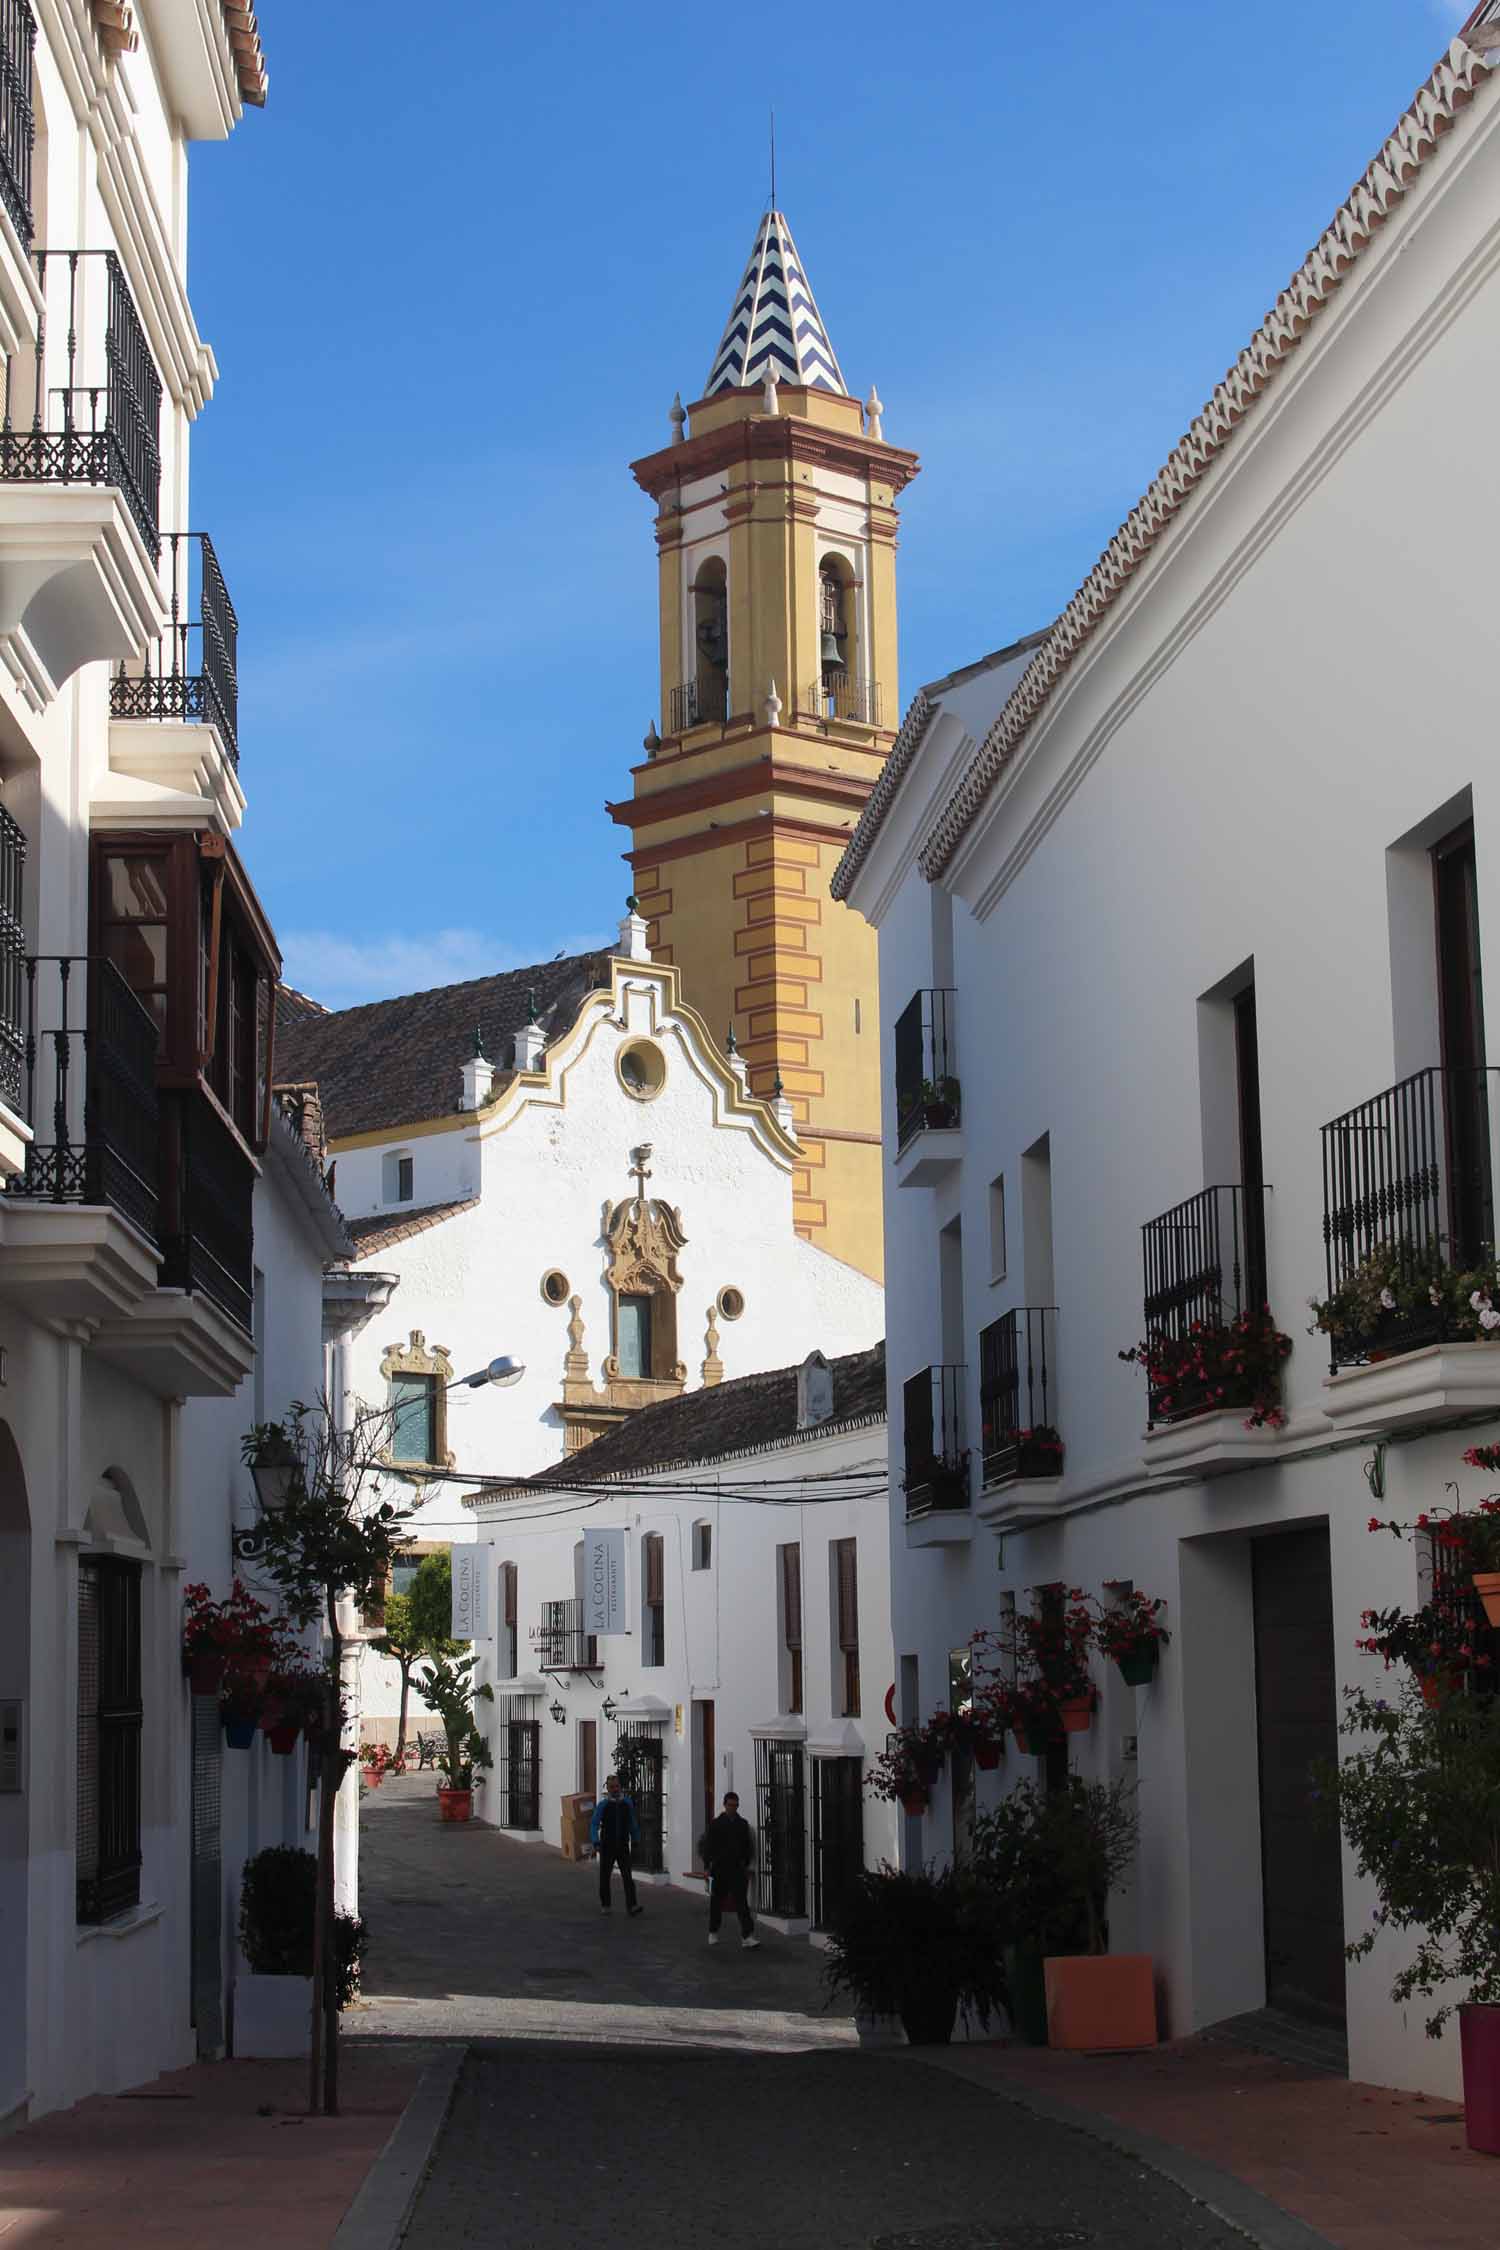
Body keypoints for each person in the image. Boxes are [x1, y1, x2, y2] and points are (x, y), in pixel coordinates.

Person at [699, 1789, 758, 1948]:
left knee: (742, 1903)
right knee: (716, 1902)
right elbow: (708, 1847)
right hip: (719, 1869)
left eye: (736, 1805)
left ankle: (747, 1936)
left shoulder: (742, 1824)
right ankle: (713, 1932)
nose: (733, 1808)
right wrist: (707, 1867)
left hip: (738, 1869)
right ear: (724, 1805)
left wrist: (745, 1864)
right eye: (730, 1805)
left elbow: (747, 1846)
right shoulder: (716, 1824)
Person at [589, 1773, 644, 1916]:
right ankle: (606, 1905)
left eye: (617, 1786)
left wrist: (636, 1839)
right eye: (612, 1787)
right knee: (605, 1876)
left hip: (623, 1845)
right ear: (607, 1788)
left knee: (627, 1876)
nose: (615, 1789)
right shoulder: (603, 1805)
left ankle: (632, 1906)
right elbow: (594, 1823)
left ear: (620, 1787)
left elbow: (632, 1822)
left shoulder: (627, 1803)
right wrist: (596, 1841)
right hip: (607, 1845)